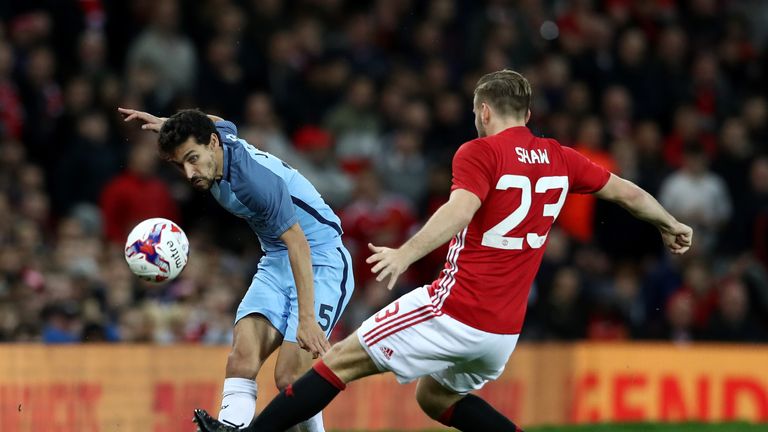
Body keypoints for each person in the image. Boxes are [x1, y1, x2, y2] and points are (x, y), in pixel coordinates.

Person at [192, 70, 693, 432]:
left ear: (483, 111)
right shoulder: (560, 158)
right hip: (502, 332)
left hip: (454, 309)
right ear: (529, 114)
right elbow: (626, 192)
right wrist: (669, 223)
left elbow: (460, 209)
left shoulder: (480, 151)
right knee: (436, 397)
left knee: (337, 362)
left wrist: (406, 254)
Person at [119, 107, 354, 432]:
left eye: (192, 158)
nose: (189, 173)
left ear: (212, 144)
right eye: (180, 164)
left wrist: (307, 319)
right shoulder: (218, 140)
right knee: (241, 358)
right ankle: (231, 428)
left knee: (289, 377)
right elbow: (215, 122)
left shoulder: (253, 182)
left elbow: (299, 243)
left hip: (320, 260)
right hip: (276, 258)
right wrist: (168, 124)